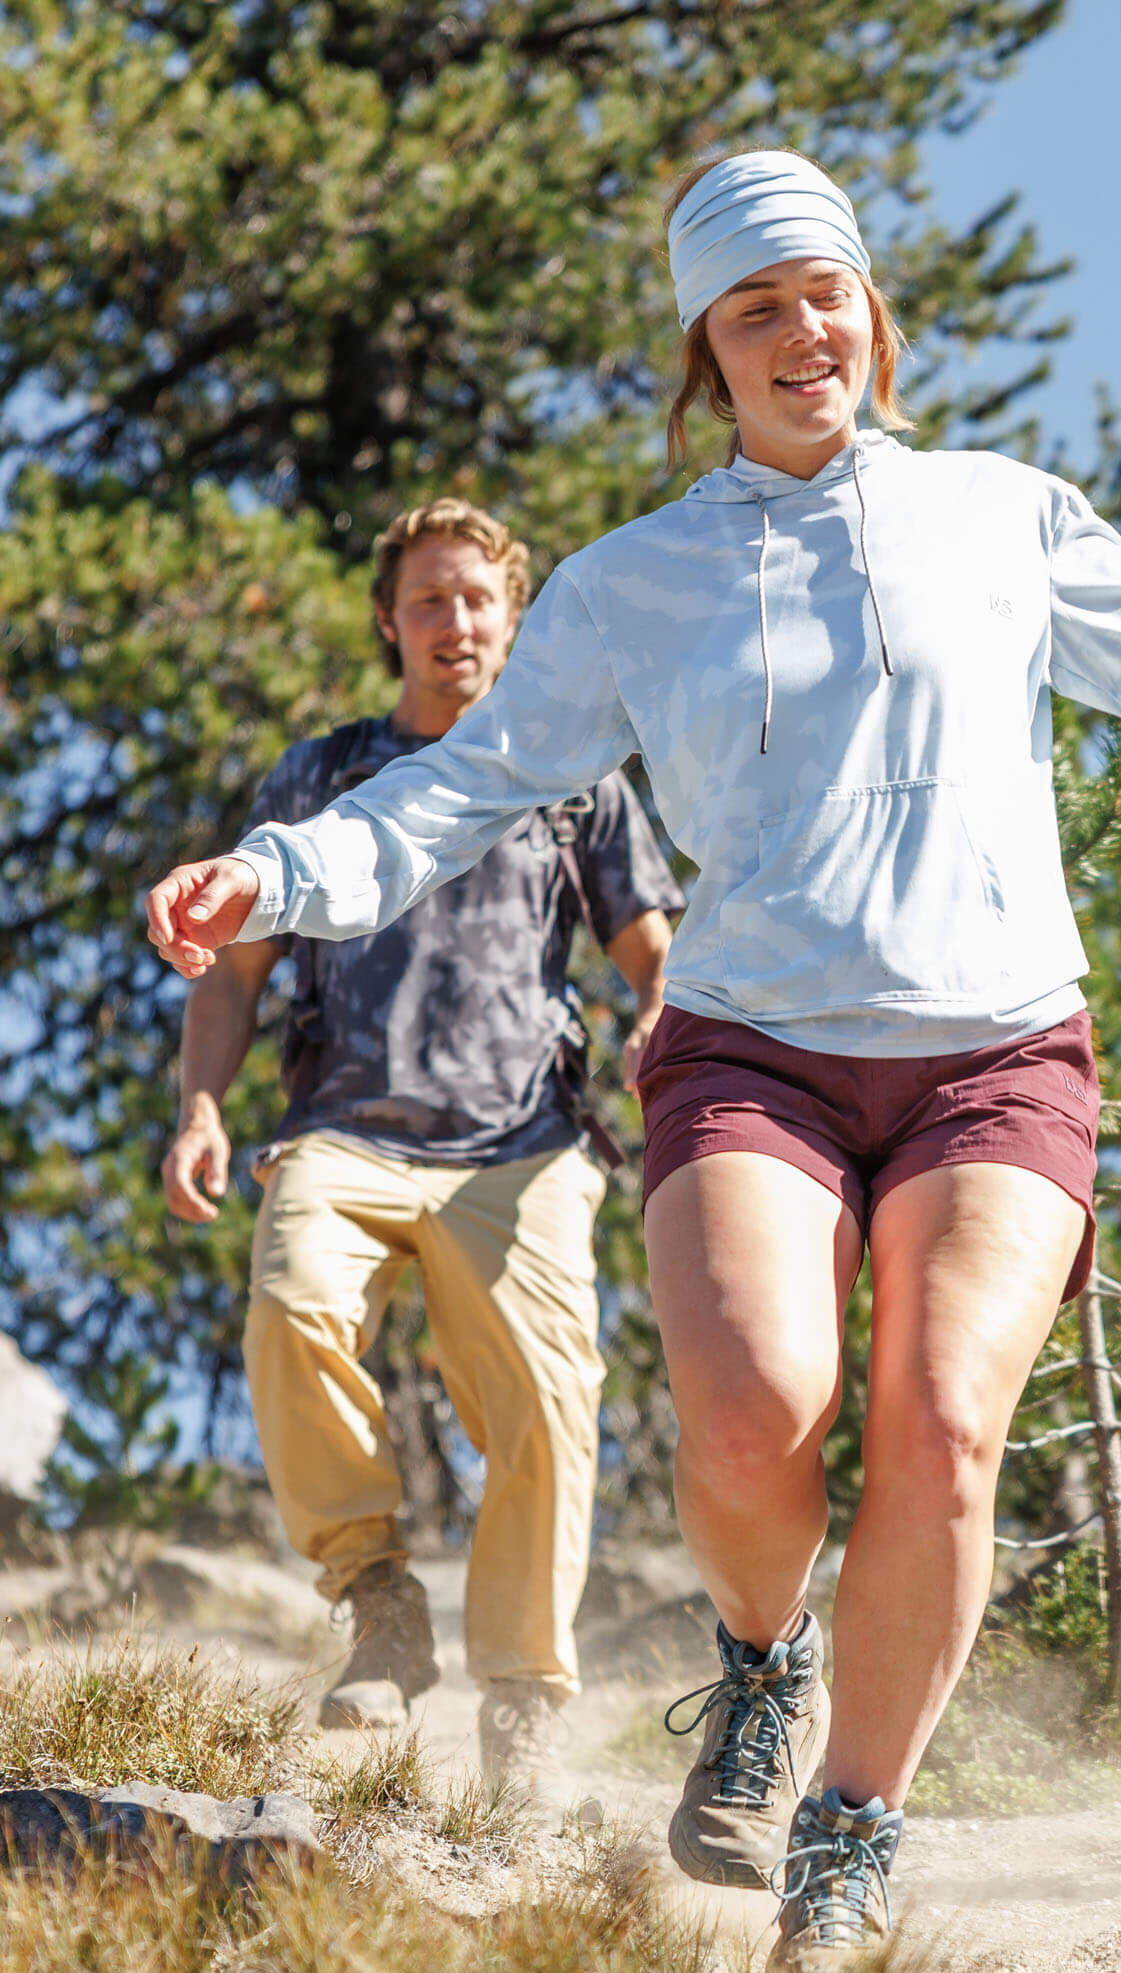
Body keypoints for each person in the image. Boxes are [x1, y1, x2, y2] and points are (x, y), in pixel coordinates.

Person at [146, 152, 1121, 1973]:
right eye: (756, 309)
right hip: (757, 1050)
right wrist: (273, 871)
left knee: (943, 1419)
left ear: (871, 315)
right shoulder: (625, 588)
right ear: (706, 350)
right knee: (753, 1411)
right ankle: (764, 1662)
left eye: (825, 294)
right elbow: (451, 793)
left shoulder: (1002, 518)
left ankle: (851, 1824)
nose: (800, 332)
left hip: (997, 1050)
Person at [158, 497, 682, 1786]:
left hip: (524, 1141)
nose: (455, 622)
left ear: (513, 620)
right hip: (343, 1127)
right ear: (392, 622)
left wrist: (658, 1029)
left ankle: (522, 1695)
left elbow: (654, 955)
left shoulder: (577, 781)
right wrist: (202, 1109)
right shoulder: (324, 775)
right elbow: (230, 974)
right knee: (289, 1312)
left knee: (550, 1403)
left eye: (478, 600)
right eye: (430, 601)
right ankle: (379, 1601)